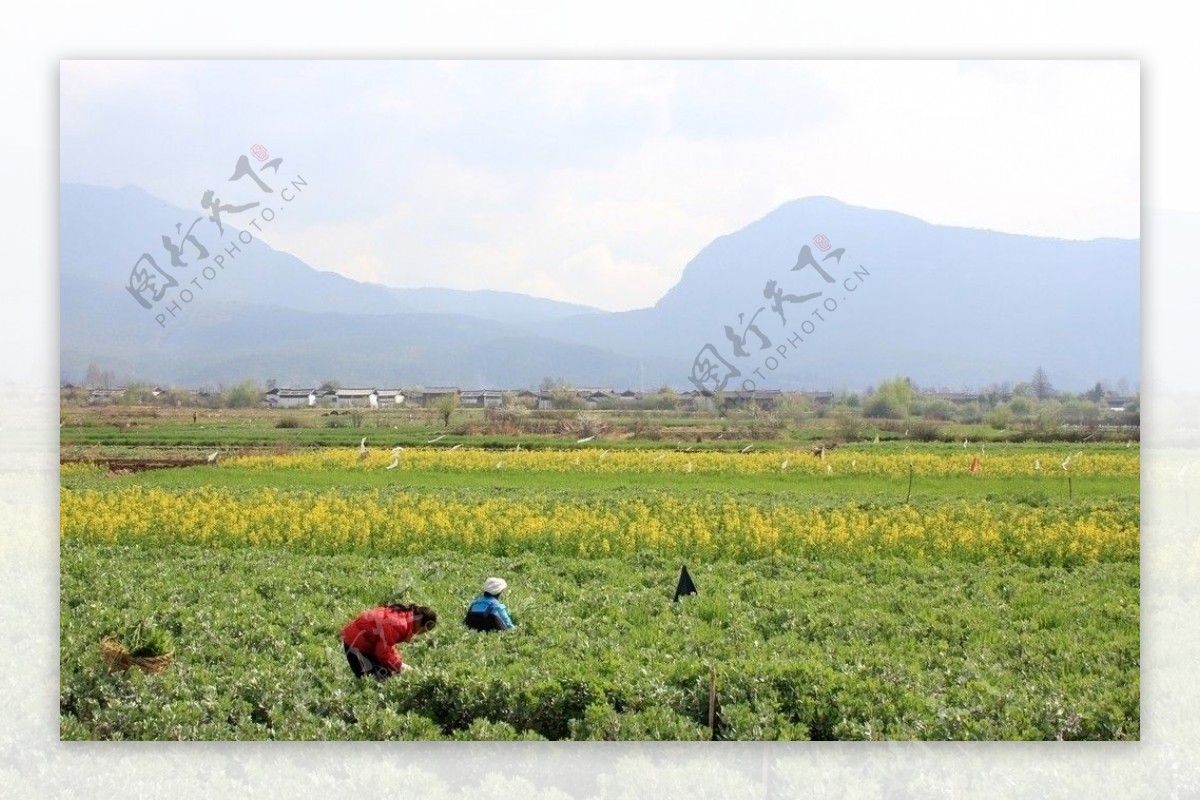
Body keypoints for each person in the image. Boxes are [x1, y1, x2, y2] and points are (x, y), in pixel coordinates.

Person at [340, 602, 437, 680]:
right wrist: (400, 666)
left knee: (385, 677)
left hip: (363, 641)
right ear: (422, 625)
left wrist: (399, 662)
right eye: (424, 631)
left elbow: (387, 644)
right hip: (356, 644)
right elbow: (382, 652)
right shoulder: (400, 624)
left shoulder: (404, 617)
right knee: (374, 682)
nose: (420, 634)